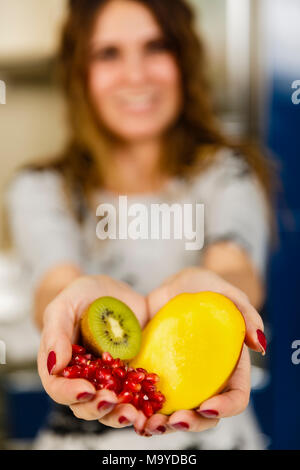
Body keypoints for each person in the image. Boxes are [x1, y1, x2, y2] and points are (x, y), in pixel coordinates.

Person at [6, 0, 272, 450]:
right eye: (109, 53)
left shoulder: (229, 173)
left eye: (156, 47)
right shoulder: (40, 188)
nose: (136, 74)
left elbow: (235, 267)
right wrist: (69, 307)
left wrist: (217, 290)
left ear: (183, 60)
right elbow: (56, 282)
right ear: (80, 72)